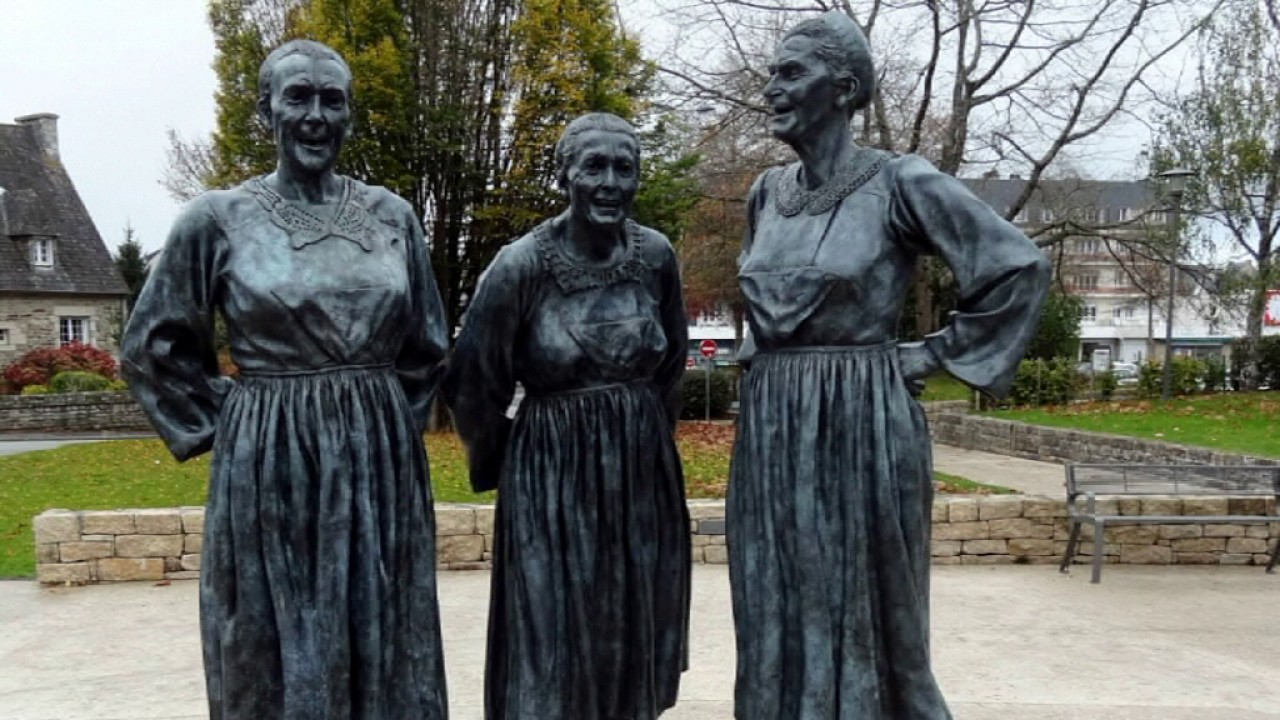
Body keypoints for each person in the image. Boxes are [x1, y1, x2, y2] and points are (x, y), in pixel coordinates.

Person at [728, 11, 1051, 719]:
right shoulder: (765, 194)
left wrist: (930, 355)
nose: (771, 90)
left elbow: (1017, 267)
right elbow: (760, 319)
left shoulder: (900, 181)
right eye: (772, 75)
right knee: (770, 599)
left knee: (865, 604)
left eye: (790, 73)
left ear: (843, 88)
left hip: (861, 420)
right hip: (773, 426)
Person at [120, 40, 449, 719]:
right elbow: (153, 344)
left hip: (379, 463)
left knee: (387, 631)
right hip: (269, 458)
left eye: (333, 101)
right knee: (273, 634)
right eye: (298, 97)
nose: (316, 116)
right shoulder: (217, 220)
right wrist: (232, 423)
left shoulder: (393, 217)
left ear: (350, 115)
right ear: (266, 110)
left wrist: (383, 420)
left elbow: (427, 345)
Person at [444, 112, 690, 719]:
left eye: (624, 168)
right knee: (552, 631)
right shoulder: (520, 266)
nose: (610, 182)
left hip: (639, 469)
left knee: (631, 624)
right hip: (552, 473)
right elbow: (473, 383)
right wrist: (508, 461)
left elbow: (672, 364)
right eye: (594, 167)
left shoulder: (656, 255)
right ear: (565, 175)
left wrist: (650, 442)